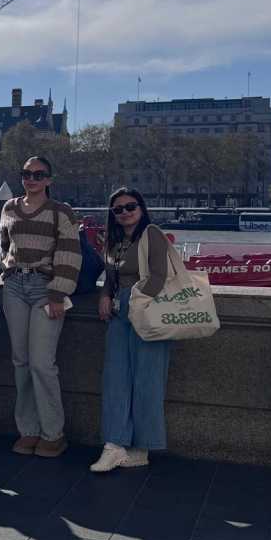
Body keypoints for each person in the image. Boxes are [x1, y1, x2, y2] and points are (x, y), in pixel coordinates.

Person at [0, 155, 81, 458]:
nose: (31, 179)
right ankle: (29, 430)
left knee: (42, 363)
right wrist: (7, 270)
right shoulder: (9, 208)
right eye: (26, 174)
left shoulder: (61, 212)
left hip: (45, 289)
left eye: (38, 174)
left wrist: (58, 293)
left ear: (49, 179)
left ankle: (53, 433)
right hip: (14, 286)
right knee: (20, 361)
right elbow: (4, 245)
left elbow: (70, 254)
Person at [91, 188, 172, 472]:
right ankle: (114, 444)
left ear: (142, 208)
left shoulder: (152, 234)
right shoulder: (114, 241)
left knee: (148, 380)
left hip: (146, 309)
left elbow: (159, 276)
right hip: (119, 310)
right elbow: (110, 278)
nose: (125, 212)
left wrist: (135, 302)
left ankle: (142, 447)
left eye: (130, 206)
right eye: (118, 209)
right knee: (115, 378)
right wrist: (105, 295)